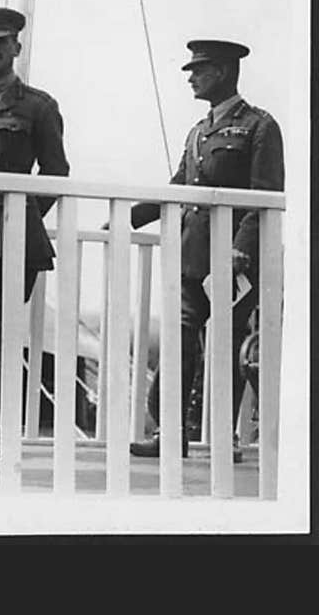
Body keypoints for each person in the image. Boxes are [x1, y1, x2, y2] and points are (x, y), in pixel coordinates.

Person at [127, 40, 284, 462]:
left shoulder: (259, 126)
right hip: (193, 254)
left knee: (229, 343)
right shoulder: (199, 130)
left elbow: (264, 195)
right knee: (179, 337)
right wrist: (131, 216)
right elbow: (181, 182)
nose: (191, 77)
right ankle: (171, 433)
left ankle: (223, 438)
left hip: (234, 260)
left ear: (224, 71)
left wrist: (240, 249)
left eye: (199, 70)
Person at [0, 7, 70, 459]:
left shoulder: (38, 106)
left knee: (0, 334)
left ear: (16, 48)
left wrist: (22, 213)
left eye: (0, 44)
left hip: (14, 239)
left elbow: (56, 172)